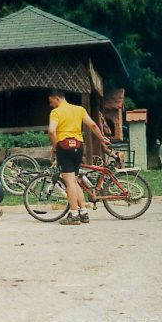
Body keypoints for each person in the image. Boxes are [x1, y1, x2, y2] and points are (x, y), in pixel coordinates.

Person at [48, 89, 110, 225]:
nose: (51, 105)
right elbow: (93, 125)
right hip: (78, 146)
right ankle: (83, 212)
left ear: (57, 98)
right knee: (75, 181)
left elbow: (51, 131)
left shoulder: (56, 112)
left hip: (64, 147)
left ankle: (74, 214)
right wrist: (101, 139)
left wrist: (55, 146)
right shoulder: (79, 109)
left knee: (69, 182)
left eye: (51, 102)